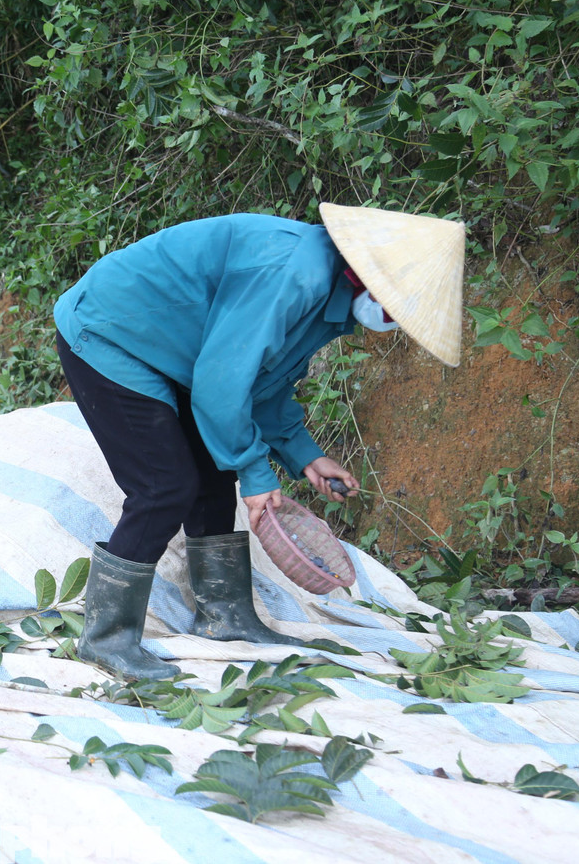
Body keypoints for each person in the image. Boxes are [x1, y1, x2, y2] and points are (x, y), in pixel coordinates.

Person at [54, 204, 465, 679]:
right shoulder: (295, 276)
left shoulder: (326, 292)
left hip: (177, 351)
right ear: (369, 278)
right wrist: (255, 474)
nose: (393, 322)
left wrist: (304, 454)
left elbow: (262, 380)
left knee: (212, 475)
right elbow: (221, 386)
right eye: (397, 308)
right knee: (163, 486)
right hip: (111, 332)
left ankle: (226, 619)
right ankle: (106, 639)